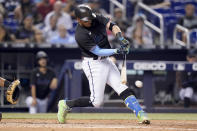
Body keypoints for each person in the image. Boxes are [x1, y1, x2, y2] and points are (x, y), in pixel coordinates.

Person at [57, 5, 150, 124]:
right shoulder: (80, 35)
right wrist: (117, 51)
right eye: (86, 20)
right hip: (93, 63)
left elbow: (112, 26)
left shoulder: (96, 18)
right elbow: (97, 51)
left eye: (90, 18)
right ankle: (65, 104)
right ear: (78, 20)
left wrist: (121, 38)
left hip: (107, 60)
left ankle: (141, 114)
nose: (89, 21)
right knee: (96, 102)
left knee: (121, 87)